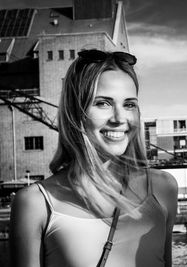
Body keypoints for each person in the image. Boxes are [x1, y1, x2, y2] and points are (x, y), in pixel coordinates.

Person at [10, 49, 178, 267]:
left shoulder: (163, 188)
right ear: (75, 111)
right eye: (102, 103)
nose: (119, 118)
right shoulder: (35, 204)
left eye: (129, 104)